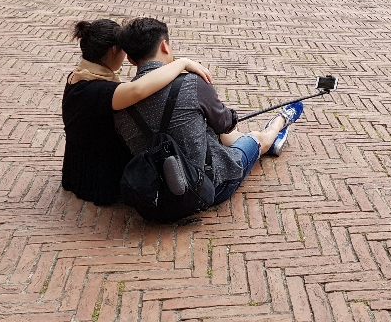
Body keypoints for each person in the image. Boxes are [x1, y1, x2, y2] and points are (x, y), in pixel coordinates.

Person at [115, 18, 303, 214]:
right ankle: (279, 124)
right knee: (255, 138)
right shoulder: (191, 83)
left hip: (154, 196)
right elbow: (226, 124)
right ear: (165, 46)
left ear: (130, 59)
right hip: (207, 187)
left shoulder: (119, 100)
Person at [62, 19, 217, 205]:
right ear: (114, 50)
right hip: (100, 180)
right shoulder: (98, 91)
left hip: (78, 170)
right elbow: (138, 90)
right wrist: (181, 63)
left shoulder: (78, 77)